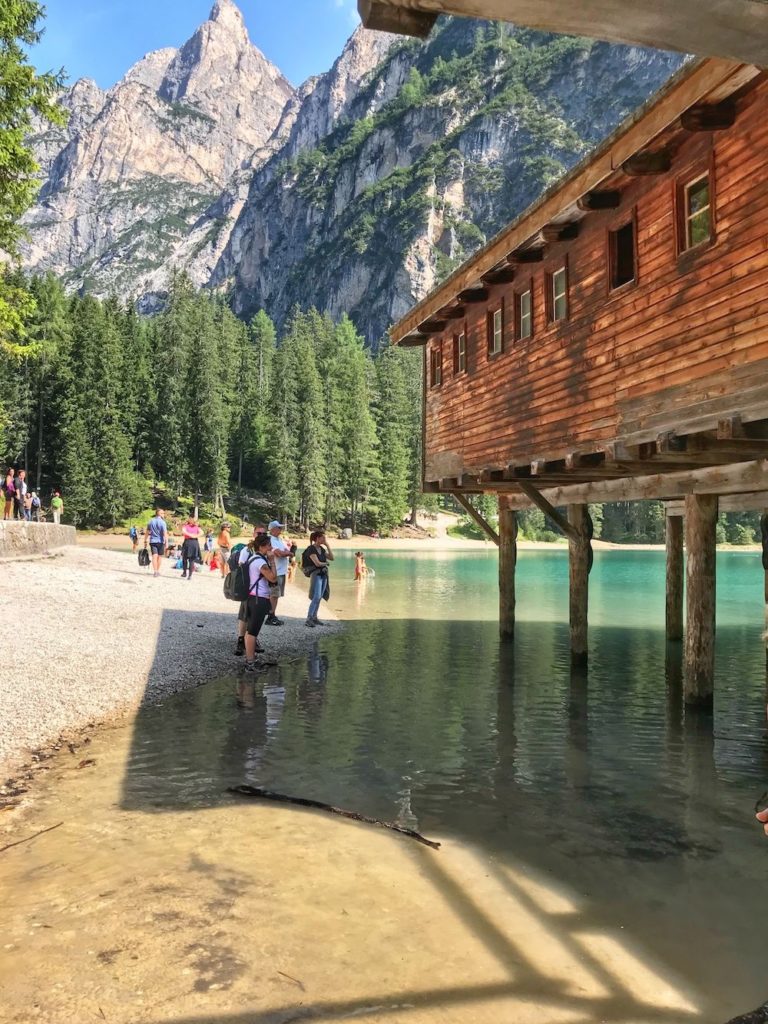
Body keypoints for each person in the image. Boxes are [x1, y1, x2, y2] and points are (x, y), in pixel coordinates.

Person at [238, 533, 278, 671]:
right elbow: (272, 578)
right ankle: (250, 662)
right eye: (268, 545)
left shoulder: (253, 558)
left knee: (251, 630)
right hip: (258, 599)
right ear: (262, 547)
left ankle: (251, 658)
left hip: (252, 597)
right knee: (253, 631)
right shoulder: (260, 561)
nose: (271, 548)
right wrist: (272, 561)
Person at [304, 529, 334, 627]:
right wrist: (326, 563)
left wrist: (328, 546)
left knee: (320, 596)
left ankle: (314, 617)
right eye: (323, 538)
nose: (324, 539)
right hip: (316, 574)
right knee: (316, 596)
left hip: (323, 574)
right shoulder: (311, 549)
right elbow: (317, 563)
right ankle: (309, 618)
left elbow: (332, 557)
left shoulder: (321, 549)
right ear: (317, 538)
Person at [266, 521, 292, 626]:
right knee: (274, 594)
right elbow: (279, 553)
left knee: (276, 594)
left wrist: (286, 553)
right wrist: (286, 553)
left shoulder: (280, 540)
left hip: (281, 571)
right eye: (278, 528)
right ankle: (271, 616)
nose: (280, 530)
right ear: (272, 529)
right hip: (275, 571)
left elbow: (288, 552)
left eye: (280, 528)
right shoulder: (270, 540)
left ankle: (271, 614)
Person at [144, 509, 168, 577]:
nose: (163, 514)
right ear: (159, 514)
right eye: (162, 513)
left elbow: (147, 532)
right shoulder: (163, 522)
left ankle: (155, 571)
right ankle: (157, 570)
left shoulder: (151, 521)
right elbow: (165, 533)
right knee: (159, 557)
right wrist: (167, 543)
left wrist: (145, 540)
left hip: (152, 541)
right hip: (160, 542)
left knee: (154, 556)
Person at [181, 515, 202, 580]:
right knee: (191, 560)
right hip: (194, 542)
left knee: (185, 559)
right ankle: (189, 575)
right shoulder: (196, 527)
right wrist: (194, 536)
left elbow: (184, 532)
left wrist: (191, 535)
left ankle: (185, 573)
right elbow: (201, 533)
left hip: (188, 542)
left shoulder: (186, 526)